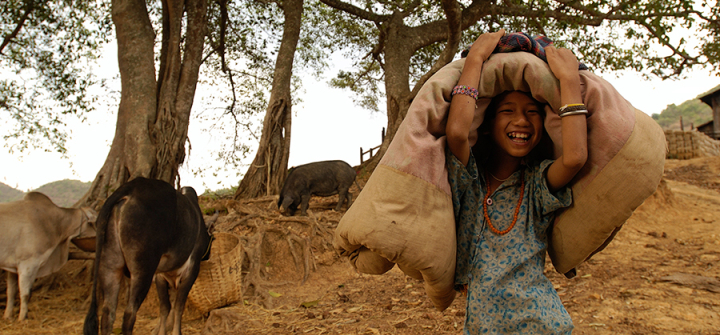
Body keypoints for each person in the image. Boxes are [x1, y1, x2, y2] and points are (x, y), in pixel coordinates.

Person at [445, 29, 588, 334]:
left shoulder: (537, 183)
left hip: (541, 324)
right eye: (507, 111)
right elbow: (457, 132)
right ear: (487, 125)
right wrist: (476, 59)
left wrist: (569, 81)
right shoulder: (470, 179)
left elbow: (575, 157)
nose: (521, 121)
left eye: (532, 113)